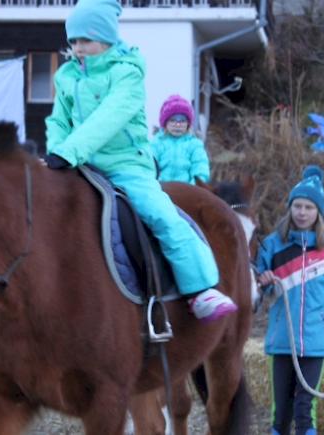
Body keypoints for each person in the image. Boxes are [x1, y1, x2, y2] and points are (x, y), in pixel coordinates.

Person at [42, 0, 237, 321]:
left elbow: (109, 117)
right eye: (73, 41)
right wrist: (55, 152)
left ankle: (201, 289)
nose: (78, 48)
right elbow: (58, 120)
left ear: (106, 39)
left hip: (125, 166)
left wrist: (67, 152)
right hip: (76, 164)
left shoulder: (127, 74)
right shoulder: (66, 76)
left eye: (85, 41)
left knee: (161, 215)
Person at [254, 165, 324, 435]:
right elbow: (253, 292)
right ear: (290, 208)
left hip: (315, 344)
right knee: (281, 413)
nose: (302, 212)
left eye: (308, 207)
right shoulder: (272, 246)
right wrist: (261, 283)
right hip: (282, 340)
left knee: (304, 409)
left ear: (318, 212)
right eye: (297, 206)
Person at [151, 94, 210, 184]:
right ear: (165, 123)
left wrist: (193, 186)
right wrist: (157, 185)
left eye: (182, 121)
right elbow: (150, 167)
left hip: (188, 191)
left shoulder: (194, 144)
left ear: (188, 124)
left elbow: (200, 168)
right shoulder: (157, 143)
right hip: (161, 190)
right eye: (173, 120)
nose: (178, 125)